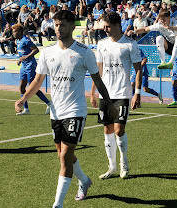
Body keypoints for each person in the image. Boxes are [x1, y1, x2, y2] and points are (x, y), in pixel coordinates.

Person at [15, 10, 115, 207]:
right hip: (56, 111)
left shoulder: (84, 52)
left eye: (62, 25)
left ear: (71, 26)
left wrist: (108, 102)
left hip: (76, 111)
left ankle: (57, 205)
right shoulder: (48, 52)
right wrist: (22, 99)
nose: (58, 28)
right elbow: (37, 81)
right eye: (56, 24)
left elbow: (97, 80)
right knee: (62, 153)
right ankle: (85, 180)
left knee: (64, 157)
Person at [90, 12, 142, 180]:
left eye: (107, 26)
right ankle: (111, 167)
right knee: (107, 129)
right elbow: (98, 70)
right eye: (104, 26)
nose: (105, 29)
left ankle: (124, 163)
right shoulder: (101, 44)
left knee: (119, 130)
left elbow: (138, 69)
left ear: (117, 25)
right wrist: (93, 92)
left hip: (122, 93)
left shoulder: (130, 45)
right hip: (105, 94)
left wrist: (137, 93)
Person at [13, 24, 51, 115]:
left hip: (31, 65)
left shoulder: (26, 40)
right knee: (22, 87)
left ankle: (49, 104)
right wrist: (20, 60)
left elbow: (36, 50)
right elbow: (22, 53)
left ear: (20, 32)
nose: (13, 33)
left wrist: (26, 57)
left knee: (32, 87)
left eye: (15, 31)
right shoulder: (17, 41)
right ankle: (26, 109)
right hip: (24, 66)